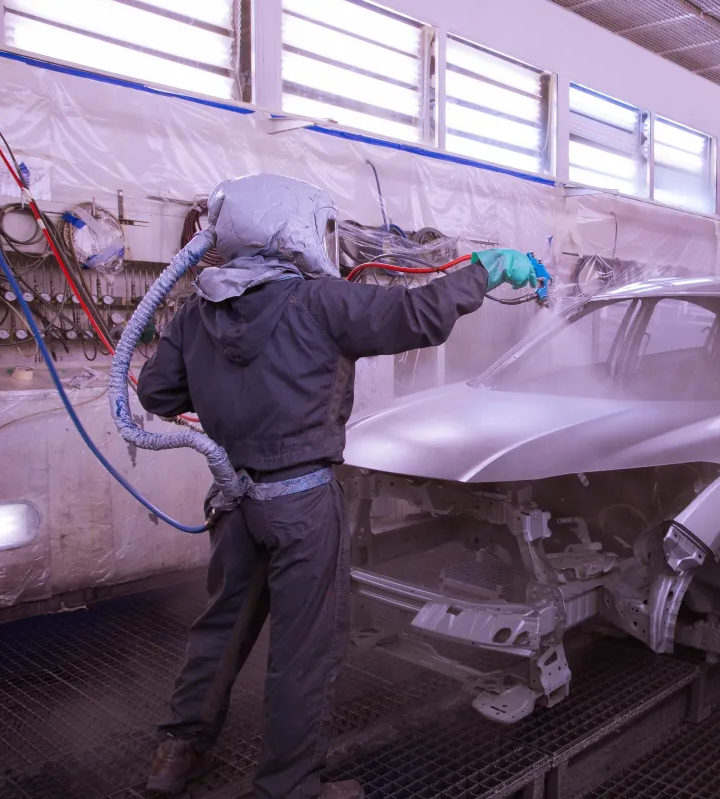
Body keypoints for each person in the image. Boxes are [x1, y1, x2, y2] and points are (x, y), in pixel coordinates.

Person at [136, 173, 536, 799]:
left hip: (234, 500)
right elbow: (419, 316)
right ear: (291, 227)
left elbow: (158, 394)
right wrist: (484, 270)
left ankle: (177, 754)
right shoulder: (320, 302)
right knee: (302, 647)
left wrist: (227, 395)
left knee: (221, 627)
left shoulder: (195, 314)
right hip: (300, 503)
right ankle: (290, 787)